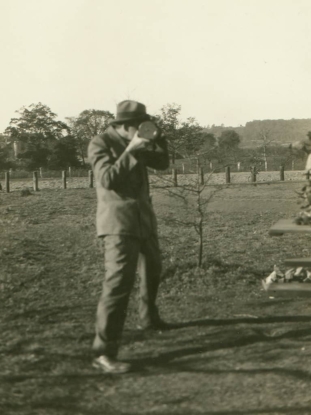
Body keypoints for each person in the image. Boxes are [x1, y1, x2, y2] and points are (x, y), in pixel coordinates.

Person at [88, 100, 170, 374]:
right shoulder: (100, 143)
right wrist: (133, 150)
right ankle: (103, 353)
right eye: (138, 127)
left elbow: (163, 164)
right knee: (118, 285)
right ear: (124, 127)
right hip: (119, 224)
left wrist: (159, 141)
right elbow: (108, 179)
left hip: (144, 219)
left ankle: (149, 319)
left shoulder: (138, 139)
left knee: (153, 270)